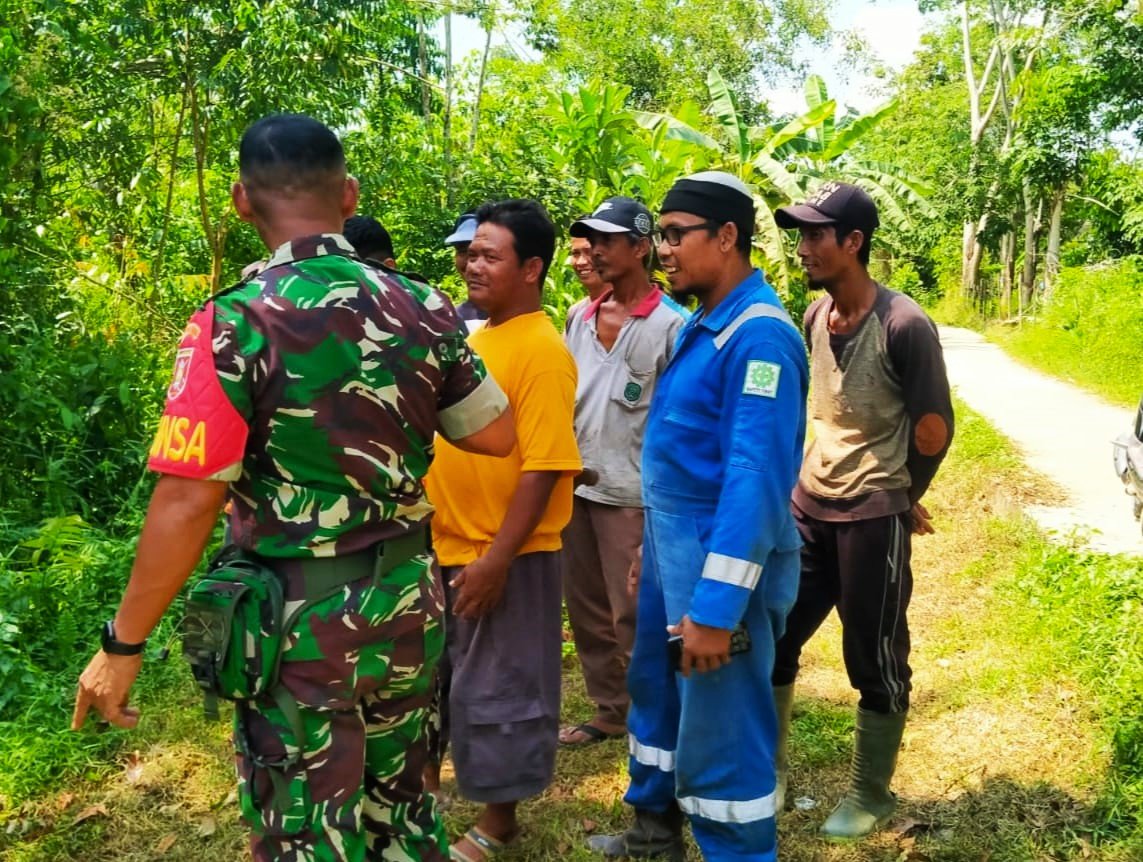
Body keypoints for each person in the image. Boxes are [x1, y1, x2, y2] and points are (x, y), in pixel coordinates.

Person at [71, 113, 517, 862]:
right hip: (409, 604)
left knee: (308, 836)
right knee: (404, 818)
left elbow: (188, 498)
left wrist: (124, 644)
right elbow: (493, 434)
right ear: (348, 194)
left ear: (243, 202)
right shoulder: (424, 306)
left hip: (299, 627)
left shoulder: (232, 324)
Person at [591, 172, 809, 862]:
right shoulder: (705, 325)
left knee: (720, 736)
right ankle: (653, 833)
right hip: (672, 558)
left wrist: (715, 610)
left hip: (720, 580)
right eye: (659, 234)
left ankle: (738, 852)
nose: (663, 250)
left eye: (676, 234)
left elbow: (752, 484)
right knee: (655, 702)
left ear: (726, 237)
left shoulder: (760, 338)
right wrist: (648, 556)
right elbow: (681, 467)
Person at [770, 181, 953, 839]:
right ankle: (771, 772)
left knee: (871, 652)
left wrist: (903, 495)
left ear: (854, 242)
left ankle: (869, 793)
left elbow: (933, 429)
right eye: (800, 235)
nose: (803, 249)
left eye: (817, 235)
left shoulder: (902, 324)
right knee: (776, 635)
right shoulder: (816, 317)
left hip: (871, 513)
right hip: (809, 502)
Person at [424, 199, 581, 862]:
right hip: (443, 546)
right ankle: (421, 800)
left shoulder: (541, 351)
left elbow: (544, 466)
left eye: (489, 255)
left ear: (532, 268)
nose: (471, 265)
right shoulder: (473, 336)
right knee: (434, 682)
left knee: (502, 690)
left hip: (506, 555)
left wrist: (495, 560)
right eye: (469, 253)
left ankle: (497, 821)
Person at [558, 197, 687, 747]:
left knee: (634, 611)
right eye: (593, 240)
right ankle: (610, 709)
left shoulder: (670, 325)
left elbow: (679, 421)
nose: (597, 251)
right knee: (586, 610)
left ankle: (654, 719)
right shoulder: (578, 317)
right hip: (577, 488)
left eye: (609, 241)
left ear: (641, 248)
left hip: (633, 494)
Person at [444, 211, 487, 329]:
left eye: (483, 251)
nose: (470, 263)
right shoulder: (447, 323)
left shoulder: (523, 321)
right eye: (462, 251)